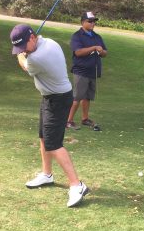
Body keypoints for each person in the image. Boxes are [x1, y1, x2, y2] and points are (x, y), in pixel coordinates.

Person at [10, 24, 89, 207]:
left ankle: (77, 185)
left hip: (58, 100)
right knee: (43, 137)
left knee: (54, 144)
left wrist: (21, 56)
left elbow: (25, 65)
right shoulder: (50, 42)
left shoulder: (37, 57)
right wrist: (25, 51)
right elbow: (28, 53)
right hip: (50, 97)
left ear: (32, 38)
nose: (22, 50)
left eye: (23, 46)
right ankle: (47, 175)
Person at [66, 12, 107, 131]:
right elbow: (78, 52)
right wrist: (94, 48)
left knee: (87, 97)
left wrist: (101, 51)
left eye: (94, 21)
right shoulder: (77, 36)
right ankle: (69, 121)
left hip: (93, 71)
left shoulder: (97, 36)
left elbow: (105, 53)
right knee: (77, 97)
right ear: (83, 22)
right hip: (81, 71)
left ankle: (85, 118)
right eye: (90, 21)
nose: (93, 23)